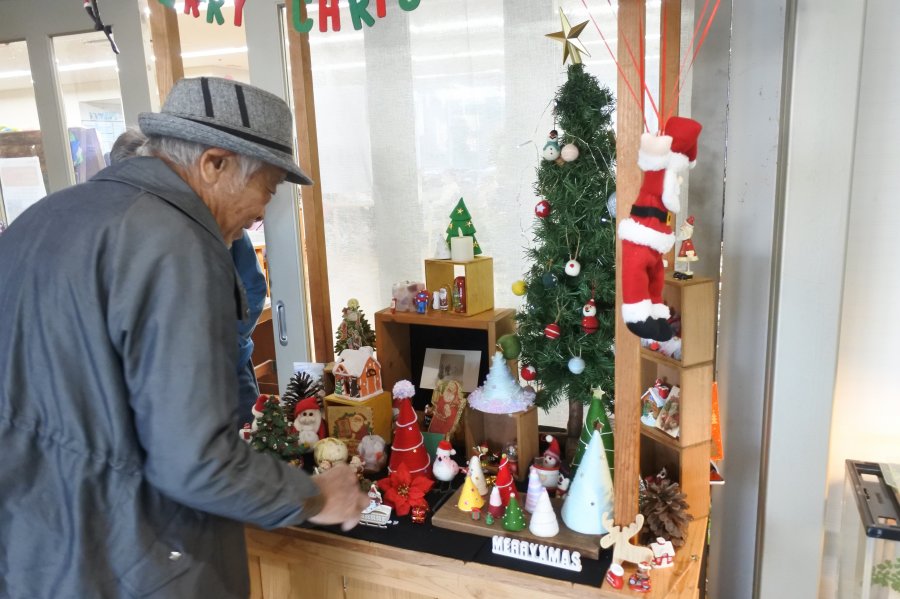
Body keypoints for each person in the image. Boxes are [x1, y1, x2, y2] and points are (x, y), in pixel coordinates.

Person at [0, 77, 368, 598]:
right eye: (268, 187)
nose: (263, 212)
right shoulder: (177, 246)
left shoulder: (43, 217)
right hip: (135, 560)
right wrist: (314, 496)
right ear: (215, 163)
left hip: (33, 554)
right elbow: (194, 462)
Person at [111, 127, 268, 424]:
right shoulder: (120, 231)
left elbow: (253, 287)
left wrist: (229, 339)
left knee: (250, 438)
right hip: (164, 381)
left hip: (229, 368)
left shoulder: (213, 216)